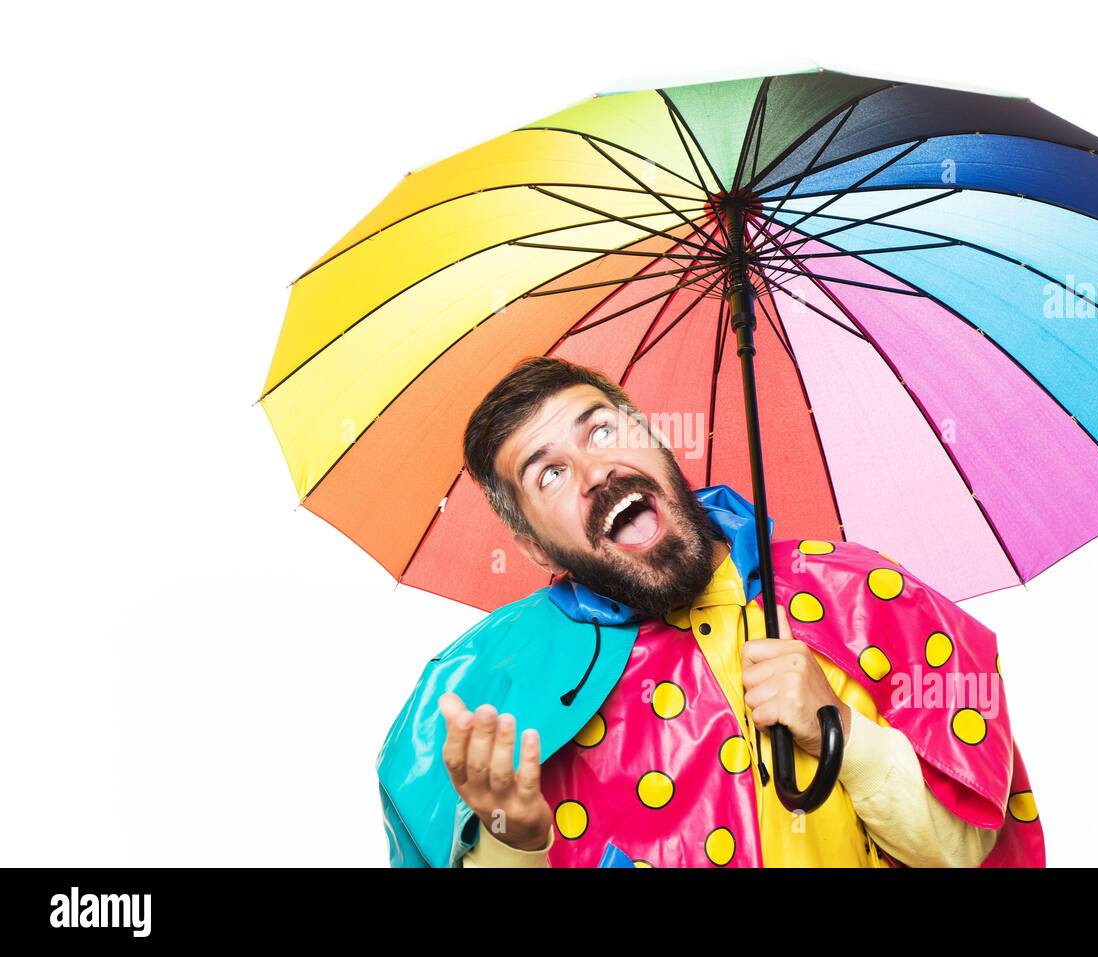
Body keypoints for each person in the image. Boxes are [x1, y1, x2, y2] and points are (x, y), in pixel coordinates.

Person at [376, 357, 1045, 867]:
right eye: (548, 474)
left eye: (602, 429)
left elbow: (965, 849)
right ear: (528, 542)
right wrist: (514, 842)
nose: (594, 472)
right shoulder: (511, 688)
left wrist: (837, 729)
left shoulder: (858, 594)